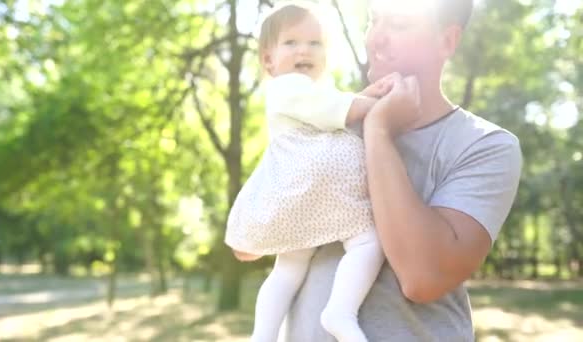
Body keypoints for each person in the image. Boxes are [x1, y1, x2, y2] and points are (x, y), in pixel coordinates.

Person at [285, 0, 523, 341]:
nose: (376, 39)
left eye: (398, 24)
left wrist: (378, 132)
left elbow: (422, 277)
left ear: (447, 41)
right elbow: (253, 238)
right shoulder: (328, 126)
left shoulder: (485, 146)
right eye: (373, 20)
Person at [224, 2, 390, 341]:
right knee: (367, 242)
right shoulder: (286, 86)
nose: (304, 49)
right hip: (314, 189)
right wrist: (379, 106)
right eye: (291, 43)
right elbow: (338, 110)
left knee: (288, 269)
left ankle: (263, 336)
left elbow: (328, 107)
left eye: (315, 43)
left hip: (303, 197)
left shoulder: (307, 93)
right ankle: (341, 312)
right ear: (268, 60)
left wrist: (359, 98)